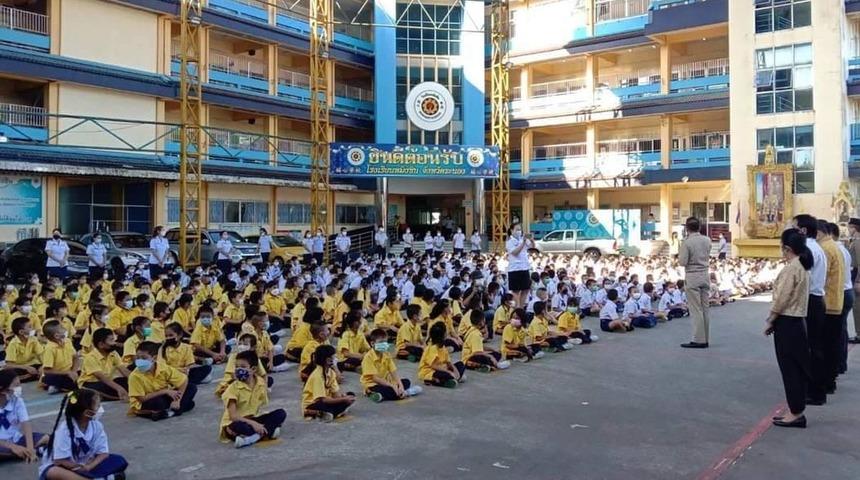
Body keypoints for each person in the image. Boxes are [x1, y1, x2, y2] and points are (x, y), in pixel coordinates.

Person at [765, 228, 812, 428]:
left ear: (787, 248)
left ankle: (796, 412)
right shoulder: (800, 266)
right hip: (796, 322)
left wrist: (771, 319)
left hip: (788, 322)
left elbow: (782, 298)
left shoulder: (792, 268)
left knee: (790, 369)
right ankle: (795, 409)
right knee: (794, 368)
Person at [39, 389, 128, 479]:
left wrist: (89, 466)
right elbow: (59, 461)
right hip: (68, 467)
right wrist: (77, 467)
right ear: (87, 413)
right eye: (98, 406)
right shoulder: (64, 430)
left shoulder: (97, 426)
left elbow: (103, 454)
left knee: (119, 461)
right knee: (54, 472)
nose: (100, 408)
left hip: (87, 465)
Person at [792, 214, 827, 406]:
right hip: (816, 298)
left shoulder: (807, 249)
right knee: (815, 347)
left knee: (810, 349)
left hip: (809, 300)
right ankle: (816, 390)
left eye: (794, 228)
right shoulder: (817, 248)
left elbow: (800, 279)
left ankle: (813, 391)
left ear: (803, 231)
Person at [219, 350, 286, 449]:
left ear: (253, 369)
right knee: (241, 427)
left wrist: (258, 422)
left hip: (251, 419)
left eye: (243, 367)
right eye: (237, 367)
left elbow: (259, 408)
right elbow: (233, 417)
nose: (238, 370)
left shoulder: (261, 384)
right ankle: (267, 432)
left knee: (281, 413)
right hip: (234, 423)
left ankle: (252, 438)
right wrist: (255, 424)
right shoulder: (233, 388)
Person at [128, 341, 197, 421]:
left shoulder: (163, 368)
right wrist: (165, 391)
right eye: (138, 358)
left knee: (191, 387)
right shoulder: (134, 376)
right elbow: (142, 399)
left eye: (144, 358)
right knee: (159, 403)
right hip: (147, 401)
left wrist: (177, 400)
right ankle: (176, 410)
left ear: (154, 358)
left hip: (164, 396)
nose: (139, 361)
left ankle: (168, 411)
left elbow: (184, 380)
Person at [815, 219, 844, 397]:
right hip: (835, 301)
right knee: (831, 345)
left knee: (824, 347)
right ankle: (830, 380)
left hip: (827, 304)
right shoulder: (833, 246)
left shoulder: (825, 249)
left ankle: (825, 382)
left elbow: (820, 277)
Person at [361, 329, 422, 403]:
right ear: (372, 344)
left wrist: (400, 386)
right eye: (381, 342)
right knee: (390, 390)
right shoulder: (368, 357)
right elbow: (375, 378)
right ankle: (406, 393)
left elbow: (393, 372)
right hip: (373, 384)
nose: (384, 345)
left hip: (386, 382)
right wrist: (392, 386)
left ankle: (387, 395)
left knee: (406, 382)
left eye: (385, 342)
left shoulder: (386, 354)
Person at [0, 369, 47, 463]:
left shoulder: (17, 401)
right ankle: (38, 451)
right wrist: (13, 447)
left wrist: (30, 449)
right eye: (16, 385)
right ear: (3, 390)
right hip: (2, 444)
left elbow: (26, 424)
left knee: (47, 438)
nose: (19, 388)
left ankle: (25, 453)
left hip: (16, 439)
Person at [678, 217, 711, 349]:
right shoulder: (707, 240)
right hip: (705, 274)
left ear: (687, 228)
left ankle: (699, 339)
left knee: (696, 309)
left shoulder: (687, 242)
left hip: (692, 275)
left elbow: (682, 262)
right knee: (705, 308)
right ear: (699, 227)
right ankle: (706, 338)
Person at [301, 344, 356, 422]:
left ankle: (329, 413)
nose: (335, 359)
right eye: (333, 357)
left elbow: (335, 393)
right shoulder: (317, 376)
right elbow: (323, 400)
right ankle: (311, 411)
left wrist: (343, 398)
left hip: (328, 399)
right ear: (327, 359)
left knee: (350, 395)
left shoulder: (331, 372)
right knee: (325, 405)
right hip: (314, 403)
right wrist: (343, 399)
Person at [77, 328, 130, 401]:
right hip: (90, 384)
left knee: (126, 382)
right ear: (101, 344)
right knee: (115, 389)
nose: (114, 343)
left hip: (107, 381)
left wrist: (136, 381)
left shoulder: (113, 353)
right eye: (111, 340)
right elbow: (101, 377)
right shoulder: (90, 357)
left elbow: (124, 370)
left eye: (114, 340)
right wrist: (119, 388)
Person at [829, 222, 853, 375]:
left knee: (834, 333)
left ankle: (836, 365)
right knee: (840, 330)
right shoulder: (842, 249)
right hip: (846, 291)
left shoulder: (834, 250)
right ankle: (840, 363)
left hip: (840, 292)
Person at [418, 322, 466, 388]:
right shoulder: (432, 348)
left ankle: (450, 379)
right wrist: (449, 372)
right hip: (430, 372)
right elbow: (433, 366)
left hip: (443, 368)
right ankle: (433, 380)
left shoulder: (442, 346)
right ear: (441, 336)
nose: (447, 334)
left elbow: (448, 362)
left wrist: (455, 371)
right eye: (445, 332)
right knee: (447, 375)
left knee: (461, 364)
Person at [40, 320, 80, 394]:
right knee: (49, 378)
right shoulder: (49, 348)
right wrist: (67, 373)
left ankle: (58, 386)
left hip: (70, 371)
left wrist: (73, 371)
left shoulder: (67, 341)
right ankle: (55, 385)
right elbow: (47, 371)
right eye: (62, 328)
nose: (65, 329)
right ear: (56, 336)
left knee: (85, 375)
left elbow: (76, 357)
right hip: (57, 374)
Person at [506, 224, 533, 308]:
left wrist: (532, 240)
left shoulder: (522, 239)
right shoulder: (509, 242)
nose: (519, 231)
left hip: (524, 267)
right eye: (517, 229)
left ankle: (521, 307)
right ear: (511, 230)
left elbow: (532, 249)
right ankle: (516, 307)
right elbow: (515, 252)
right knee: (516, 291)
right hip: (514, 269)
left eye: (520, 229)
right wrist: (523, 243)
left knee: (526, 289)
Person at [847, 218, 860, 344]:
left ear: (854, 228)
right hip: (854, 273)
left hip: (857, 275)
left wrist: (858, 281)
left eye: (849, 227)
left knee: (857, 307)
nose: (848, 230)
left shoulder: (858, 242)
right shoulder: (854, 241)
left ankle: (859, 334)